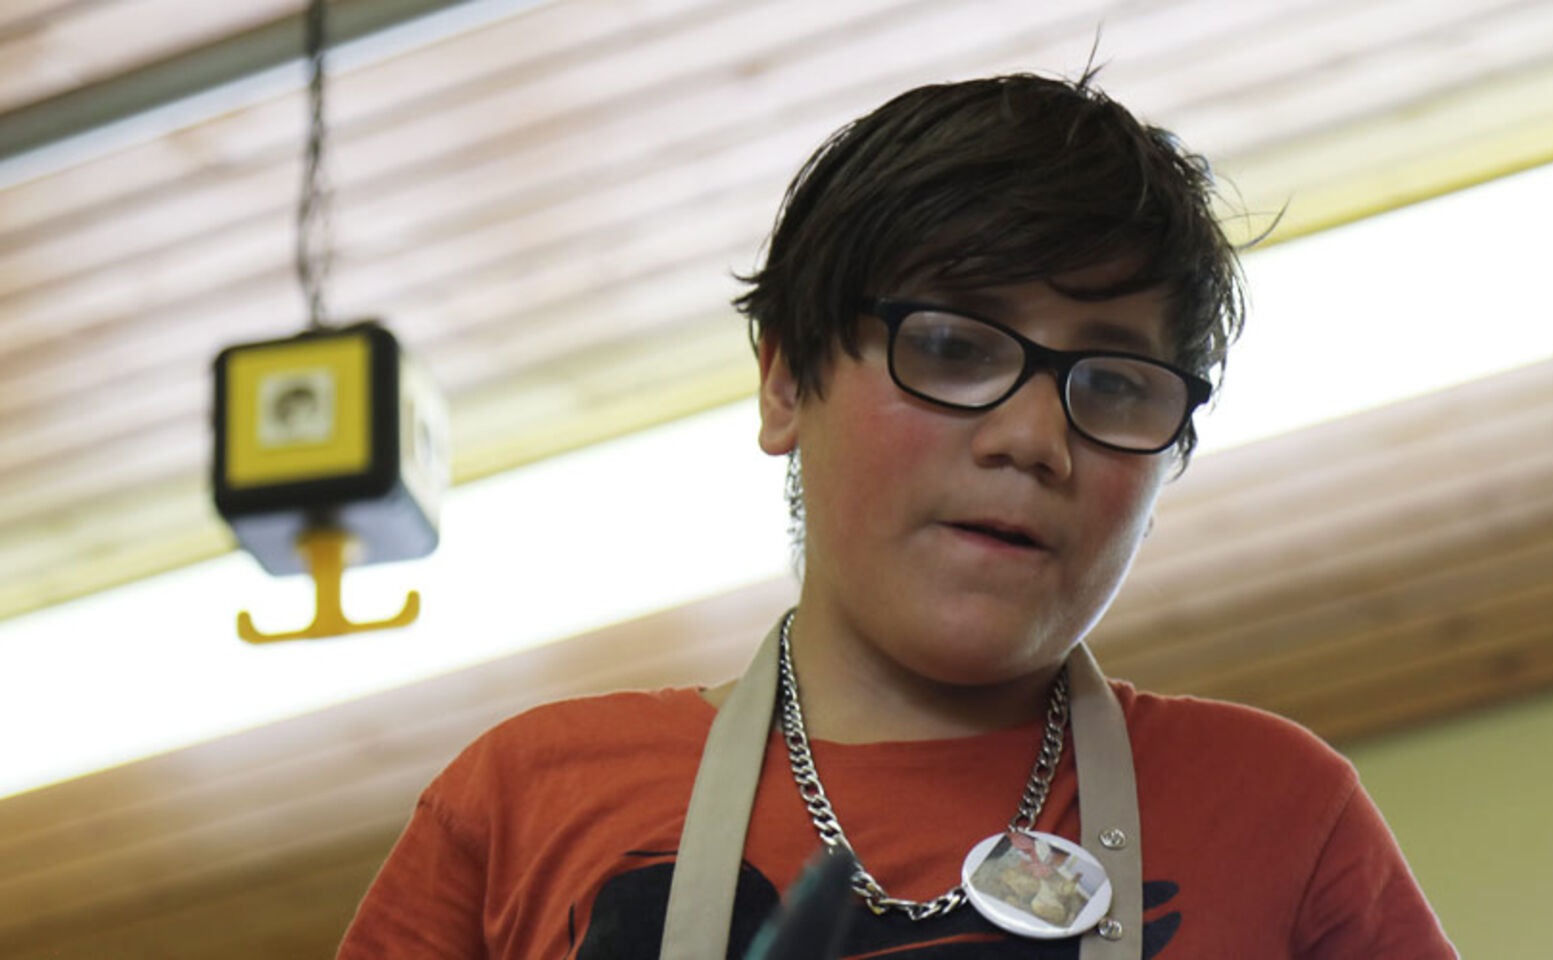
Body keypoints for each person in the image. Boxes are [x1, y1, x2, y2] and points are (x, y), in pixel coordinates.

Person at [337, 71, 1455, 959]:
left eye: (1115, 383)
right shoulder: (527, 803)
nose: (1034, 437)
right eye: (955, 347)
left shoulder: (1279, 814)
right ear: (786, 383)